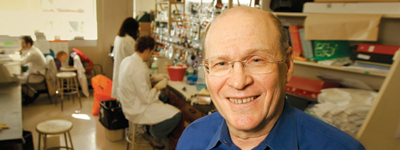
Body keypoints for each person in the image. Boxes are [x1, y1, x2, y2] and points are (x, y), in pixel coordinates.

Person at [176, 7, 365, 150]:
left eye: (256, 60)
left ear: (288, 65)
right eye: (222, 64)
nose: (238, 82)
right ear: (207, 72)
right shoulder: (192, 138)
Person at [118, 36, 181, 149]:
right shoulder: (140, 68)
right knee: (176, 114)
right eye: (151, 52)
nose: (151, 55)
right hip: (138, 109)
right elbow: (146, 98)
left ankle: (151, 128)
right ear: (147, 50)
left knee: (164, 98)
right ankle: (155, 133)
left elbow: (134, 82)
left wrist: (153, 79)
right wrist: (157, 87)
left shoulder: (127, 60)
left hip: (128, 105)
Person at [111, 17, 140, 99]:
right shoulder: (129, 40)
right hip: (126, 74)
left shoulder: (118, 38)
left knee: (121, 99)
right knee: (126, 99)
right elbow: (138, 57)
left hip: (120, 71)